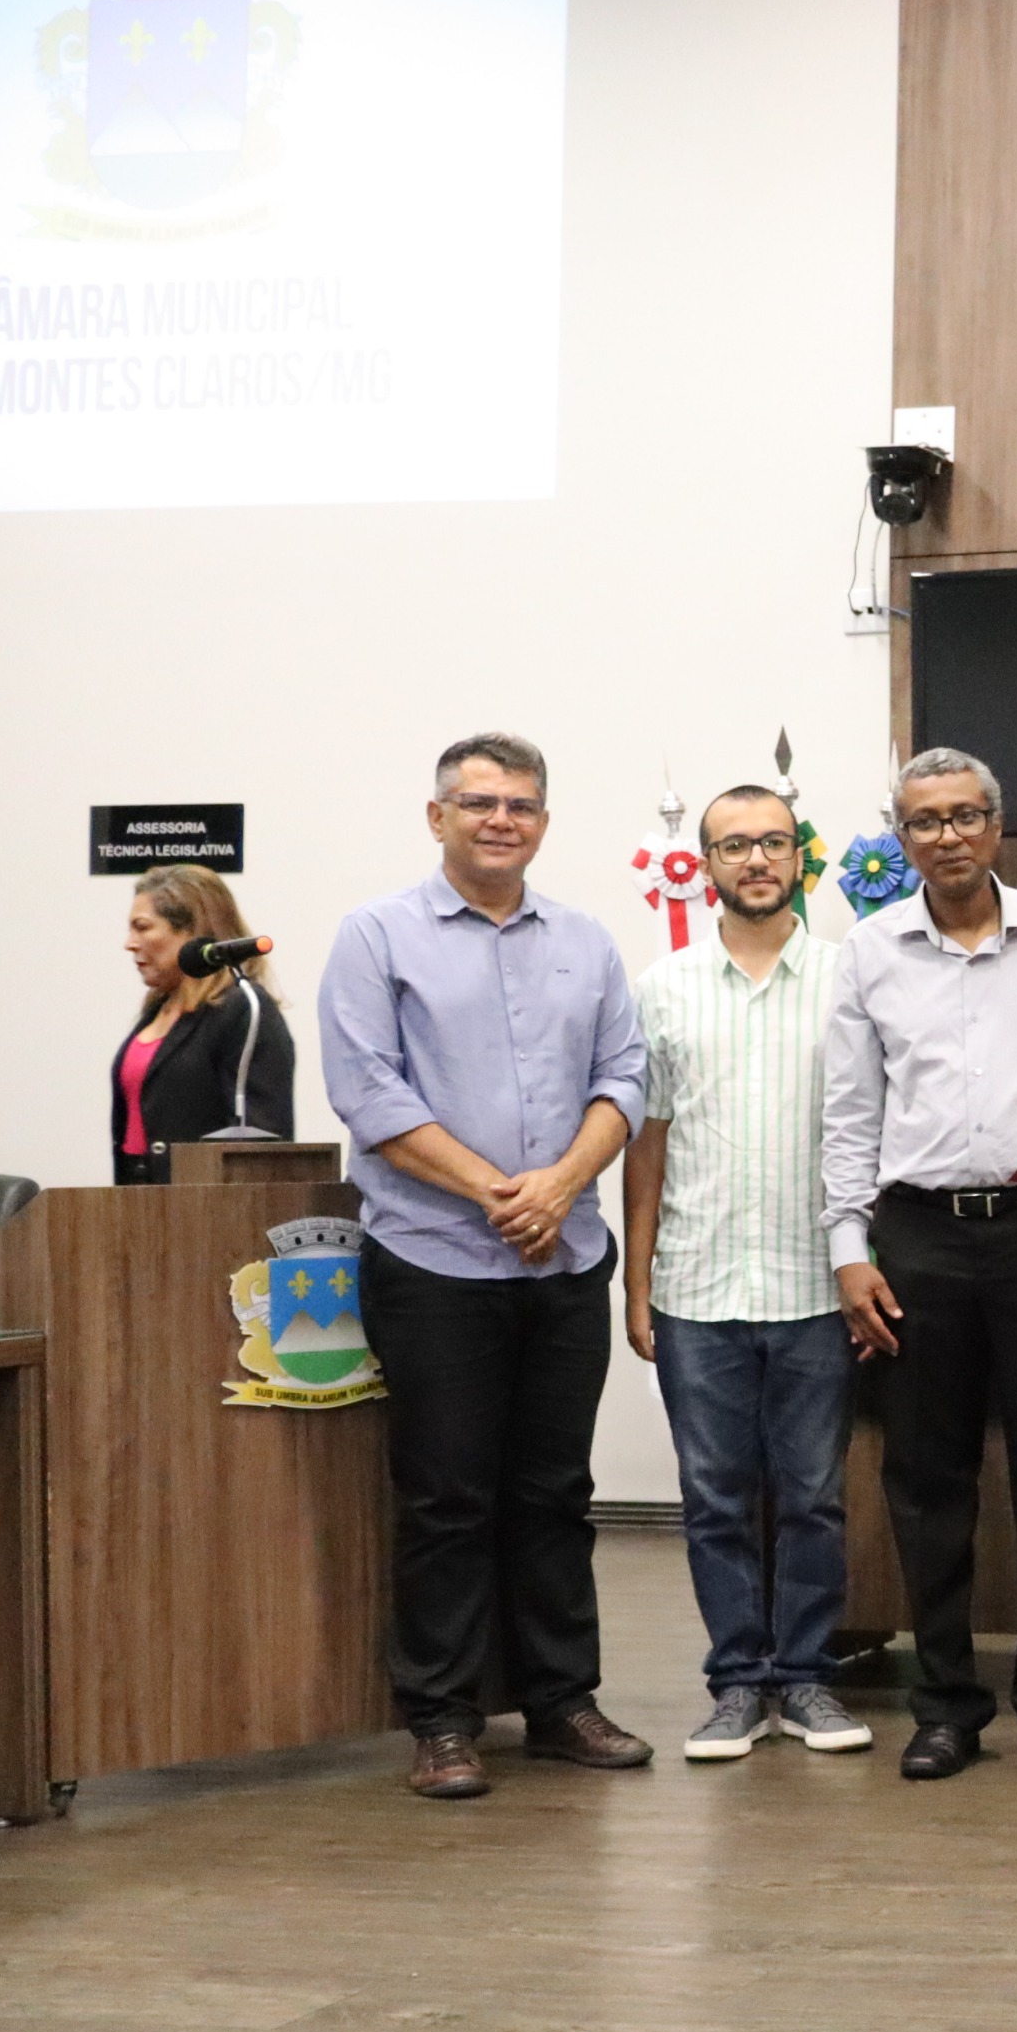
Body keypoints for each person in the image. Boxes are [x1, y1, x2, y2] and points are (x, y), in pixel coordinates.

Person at [317, 735, 650, 1801]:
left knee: (556, 1493)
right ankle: (444, 1719)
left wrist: (560, 1185)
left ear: (542, 823)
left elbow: (625, 1078)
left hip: (564, 1264)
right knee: (446, 1498)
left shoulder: (588, 942)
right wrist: (501, 1193)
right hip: (434, 1263)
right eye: (478, 802)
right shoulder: (376, 936)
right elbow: (369, 1094)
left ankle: (560, 1701)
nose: (500, 819)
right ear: (437, 817)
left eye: (520, 804)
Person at [822, 747, 1017, 1783]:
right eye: (925, 821)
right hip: (917, 1236)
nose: (948, 836)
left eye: (965, 816)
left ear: (997, 827)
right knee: (926, 1480)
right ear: (901, 837)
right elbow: (849, 1115)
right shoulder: (869, 950)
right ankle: (946, 1706)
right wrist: (848, 1249)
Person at [622, 785, 872, 1764]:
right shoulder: (664, 988)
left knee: (812, 1495)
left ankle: (804, 1678)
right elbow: (646, 1143)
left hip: (816, 1282)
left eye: (772, 842)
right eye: (734, 845)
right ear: (706, 864)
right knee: (714, 1496)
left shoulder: (851, 978)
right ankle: (735, 1682)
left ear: (799, 856)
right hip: (698, 1283)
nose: (756, 860)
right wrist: (636, 1281)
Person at [112, 862, 295, 1183]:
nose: (129, 943)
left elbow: (264, 1134)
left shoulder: (243, 1009)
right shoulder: (158, 1008)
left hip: (202, 1199)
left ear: (191, 932)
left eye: (142, 927)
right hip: (139, 1196)